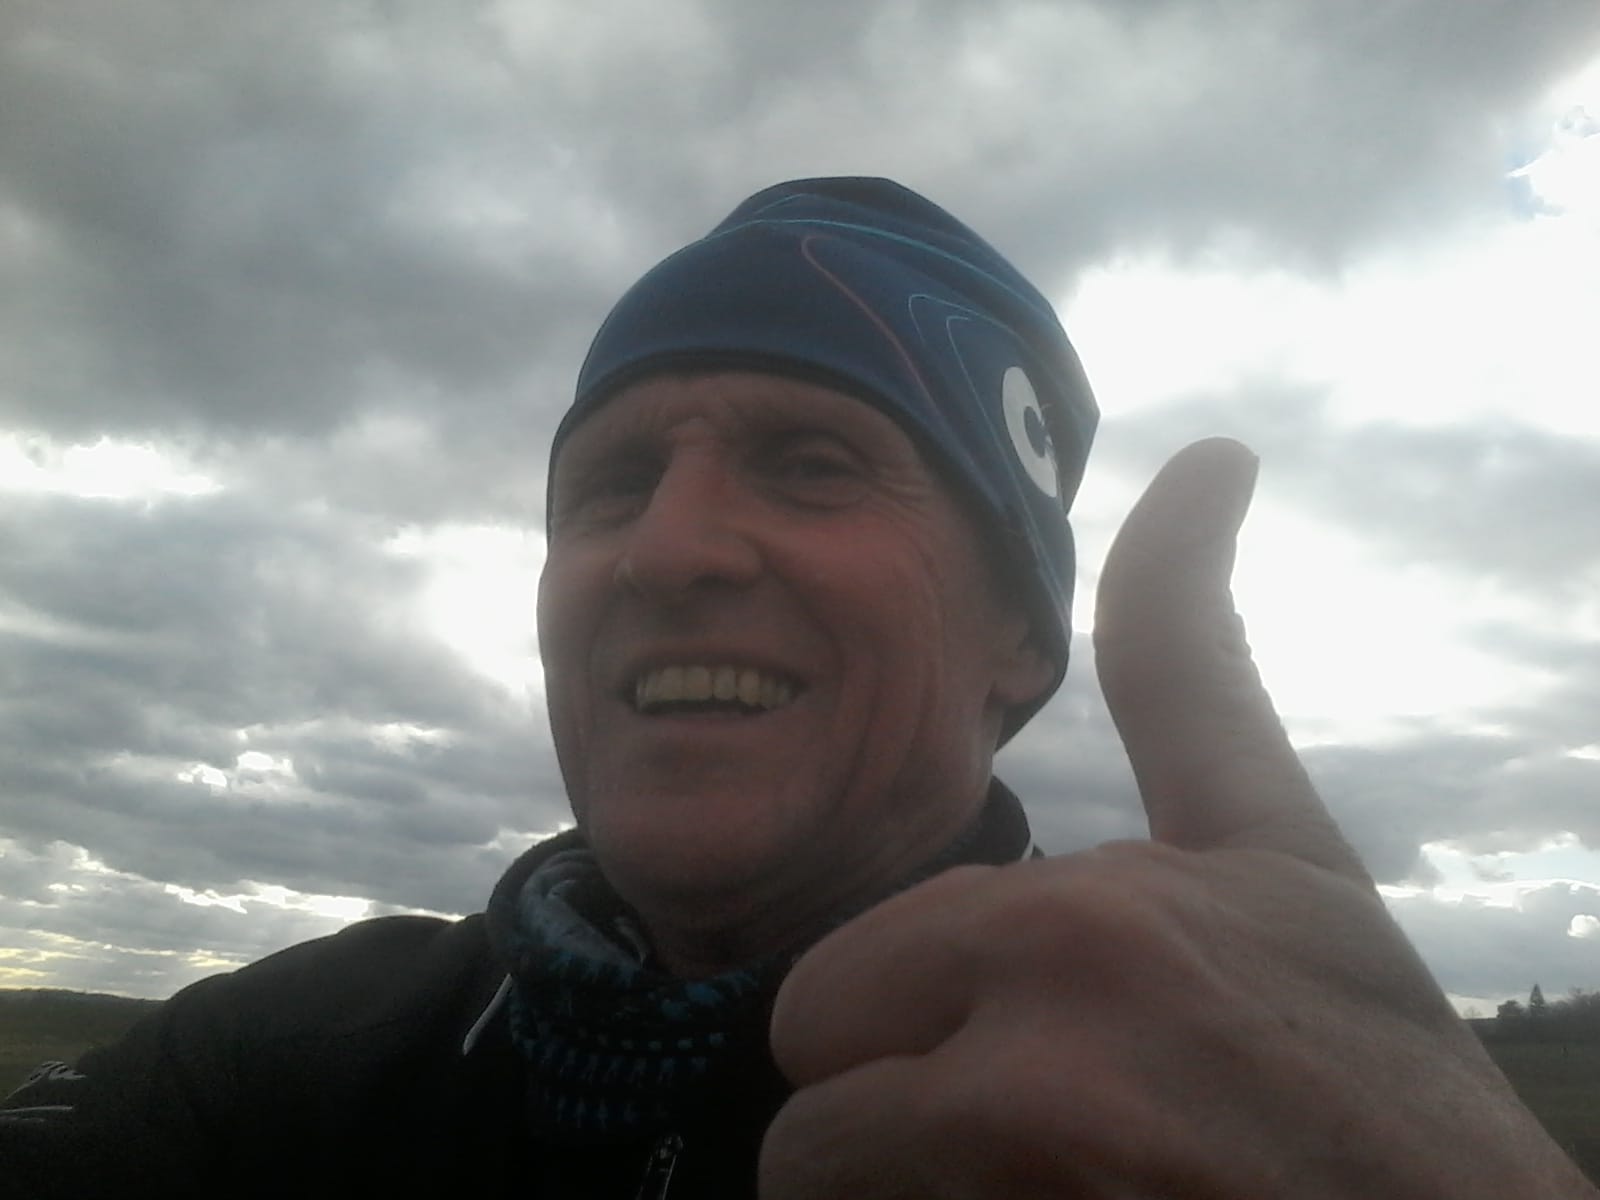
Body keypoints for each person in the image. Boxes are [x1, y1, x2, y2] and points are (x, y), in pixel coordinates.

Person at [1, 178, 1592, 1198]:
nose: (666, 549)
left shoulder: (1180, 1121)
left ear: (1021, 636)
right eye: (610, 485)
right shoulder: (286, 1057)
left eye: (812, 462)